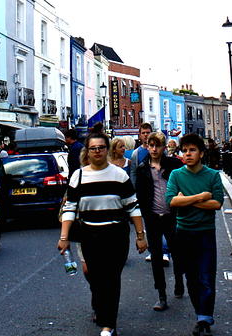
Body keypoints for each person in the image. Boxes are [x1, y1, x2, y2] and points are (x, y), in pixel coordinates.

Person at [57, 133, 146, 336]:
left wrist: (141, 236)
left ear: (107, 150)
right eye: (93, 148)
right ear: (87, 152)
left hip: (116, 234)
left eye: (101, 148)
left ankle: (109, 324)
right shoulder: (78, 176)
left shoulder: (119, 175)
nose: (97, 152)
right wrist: (64, 238)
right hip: (90, 235)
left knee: (112, 278)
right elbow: (69, 208)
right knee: (96, 278)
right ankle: (100, 308)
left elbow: (133, 206)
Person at [166, 134, 224, 336]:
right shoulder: (176, 175)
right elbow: (171, 201)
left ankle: (204, 317)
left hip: (205, 232)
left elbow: (216, 203)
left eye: (192, 150)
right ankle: (200, 314)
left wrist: (186, 199)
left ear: (201, 153)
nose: (187, 154)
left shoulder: (212, 175)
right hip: (184, 232)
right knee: (191, 277)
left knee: (206, 276)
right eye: (185, 150)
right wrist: (200, 197)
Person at [134, 130, 184, 311]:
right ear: (147, 146)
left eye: (157, 145)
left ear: (164, 147)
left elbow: (183, 185)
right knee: (156, 255)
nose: (154, 149)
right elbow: (139, 194)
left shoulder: (174, 165)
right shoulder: (142, 168)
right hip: (153, 216)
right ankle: (161, 295)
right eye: (151, 145)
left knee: (177, 252)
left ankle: (179, 281)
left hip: (172, 215)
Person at [129, 123, 153, 188]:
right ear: (140, 135)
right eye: (143, 133)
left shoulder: (159, 150)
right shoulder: (136, 153)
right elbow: (133, 172)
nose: (145, 135)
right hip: (142, 188)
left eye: (148, 132)